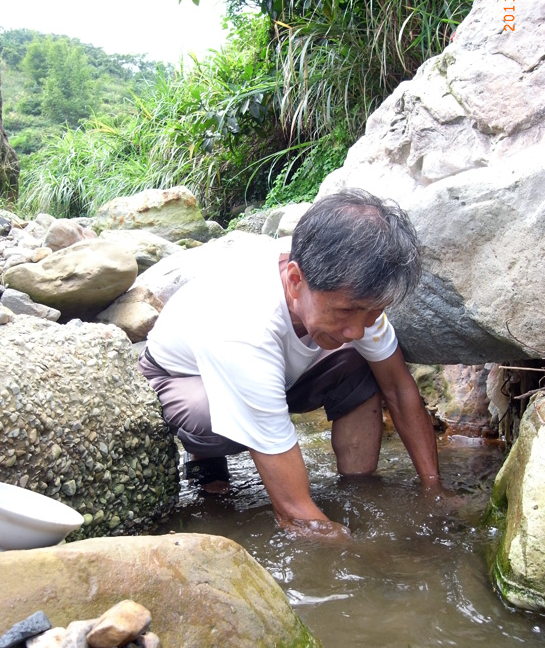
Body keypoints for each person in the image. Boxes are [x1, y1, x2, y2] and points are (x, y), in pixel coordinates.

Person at [138, 189, 441, 538]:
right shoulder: (244, 323)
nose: (358, 329)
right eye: (346, 311)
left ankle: (358, 485)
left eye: (373, 313)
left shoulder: (349, 288)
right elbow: (294, 514)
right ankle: (206, 464)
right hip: (181, 377)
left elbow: (399, 390)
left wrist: (434, 489)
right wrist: (365, 556)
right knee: (211, 420)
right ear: (295, 281)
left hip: (276, 368)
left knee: (360, 360)